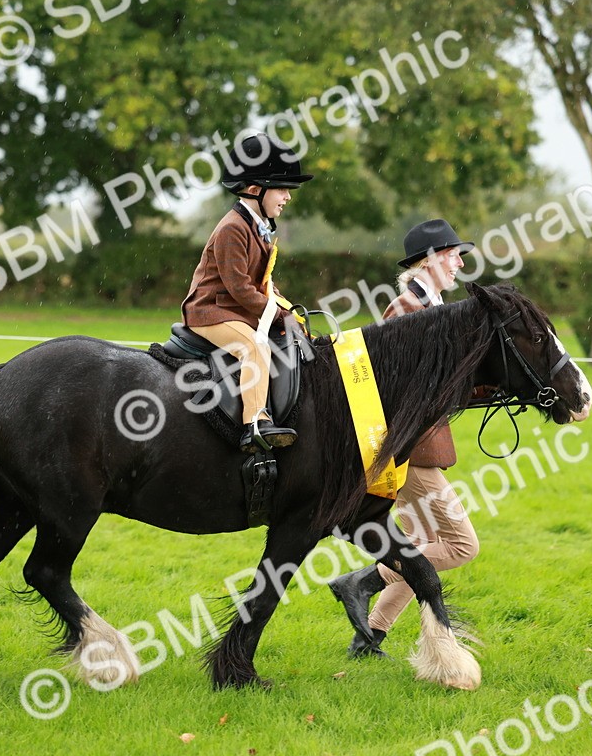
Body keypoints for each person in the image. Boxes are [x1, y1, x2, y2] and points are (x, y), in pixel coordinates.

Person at [328, 219, 482, 657]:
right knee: (461, 545)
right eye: (453, 255)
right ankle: (361, 581)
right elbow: (395, 385)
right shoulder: (405, 309)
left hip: (419, 448)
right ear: (429, 260)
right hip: (409, 452)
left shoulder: (434, 306)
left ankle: (369, 637)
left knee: (418, 545)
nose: (460, 263)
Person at [181, 133, 313, 453]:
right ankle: (255, 423)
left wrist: (288, 312)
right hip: (210, 311)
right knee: (254, 346)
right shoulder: (232, 228)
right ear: (255, 190)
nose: (287, 197)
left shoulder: (258, 226)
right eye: (282, 189)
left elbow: (263, 283)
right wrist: (276, 314)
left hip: (232, 310)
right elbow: (240, 288)